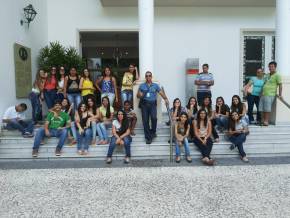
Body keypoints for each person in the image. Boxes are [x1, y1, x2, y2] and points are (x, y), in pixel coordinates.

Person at [137, 71, 169, 144]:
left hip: (152, 104)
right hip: (144, 104)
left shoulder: (155, 85)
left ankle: (153, 132)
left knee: (154, 118)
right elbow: (137, 95)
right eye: (147, 76)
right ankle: (148, 137)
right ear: (145, 77)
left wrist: (166, 99)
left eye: (149, 76)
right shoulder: (142, 85)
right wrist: (141, 94)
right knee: (145, 121)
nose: (148, 77)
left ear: (151, 77)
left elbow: (161, 93)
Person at [259, 61, 282, 126]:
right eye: (269, 66)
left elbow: (280, 85)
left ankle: (266, 121)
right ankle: (262, 120)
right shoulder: (267, 75)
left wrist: (280, 95)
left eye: (272, 66)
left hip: (270, 94)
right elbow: (264, 82)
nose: (270, 68)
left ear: (275, 67)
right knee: (261, 108)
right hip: (263, 94)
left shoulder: (277, 75)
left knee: (267, 108)